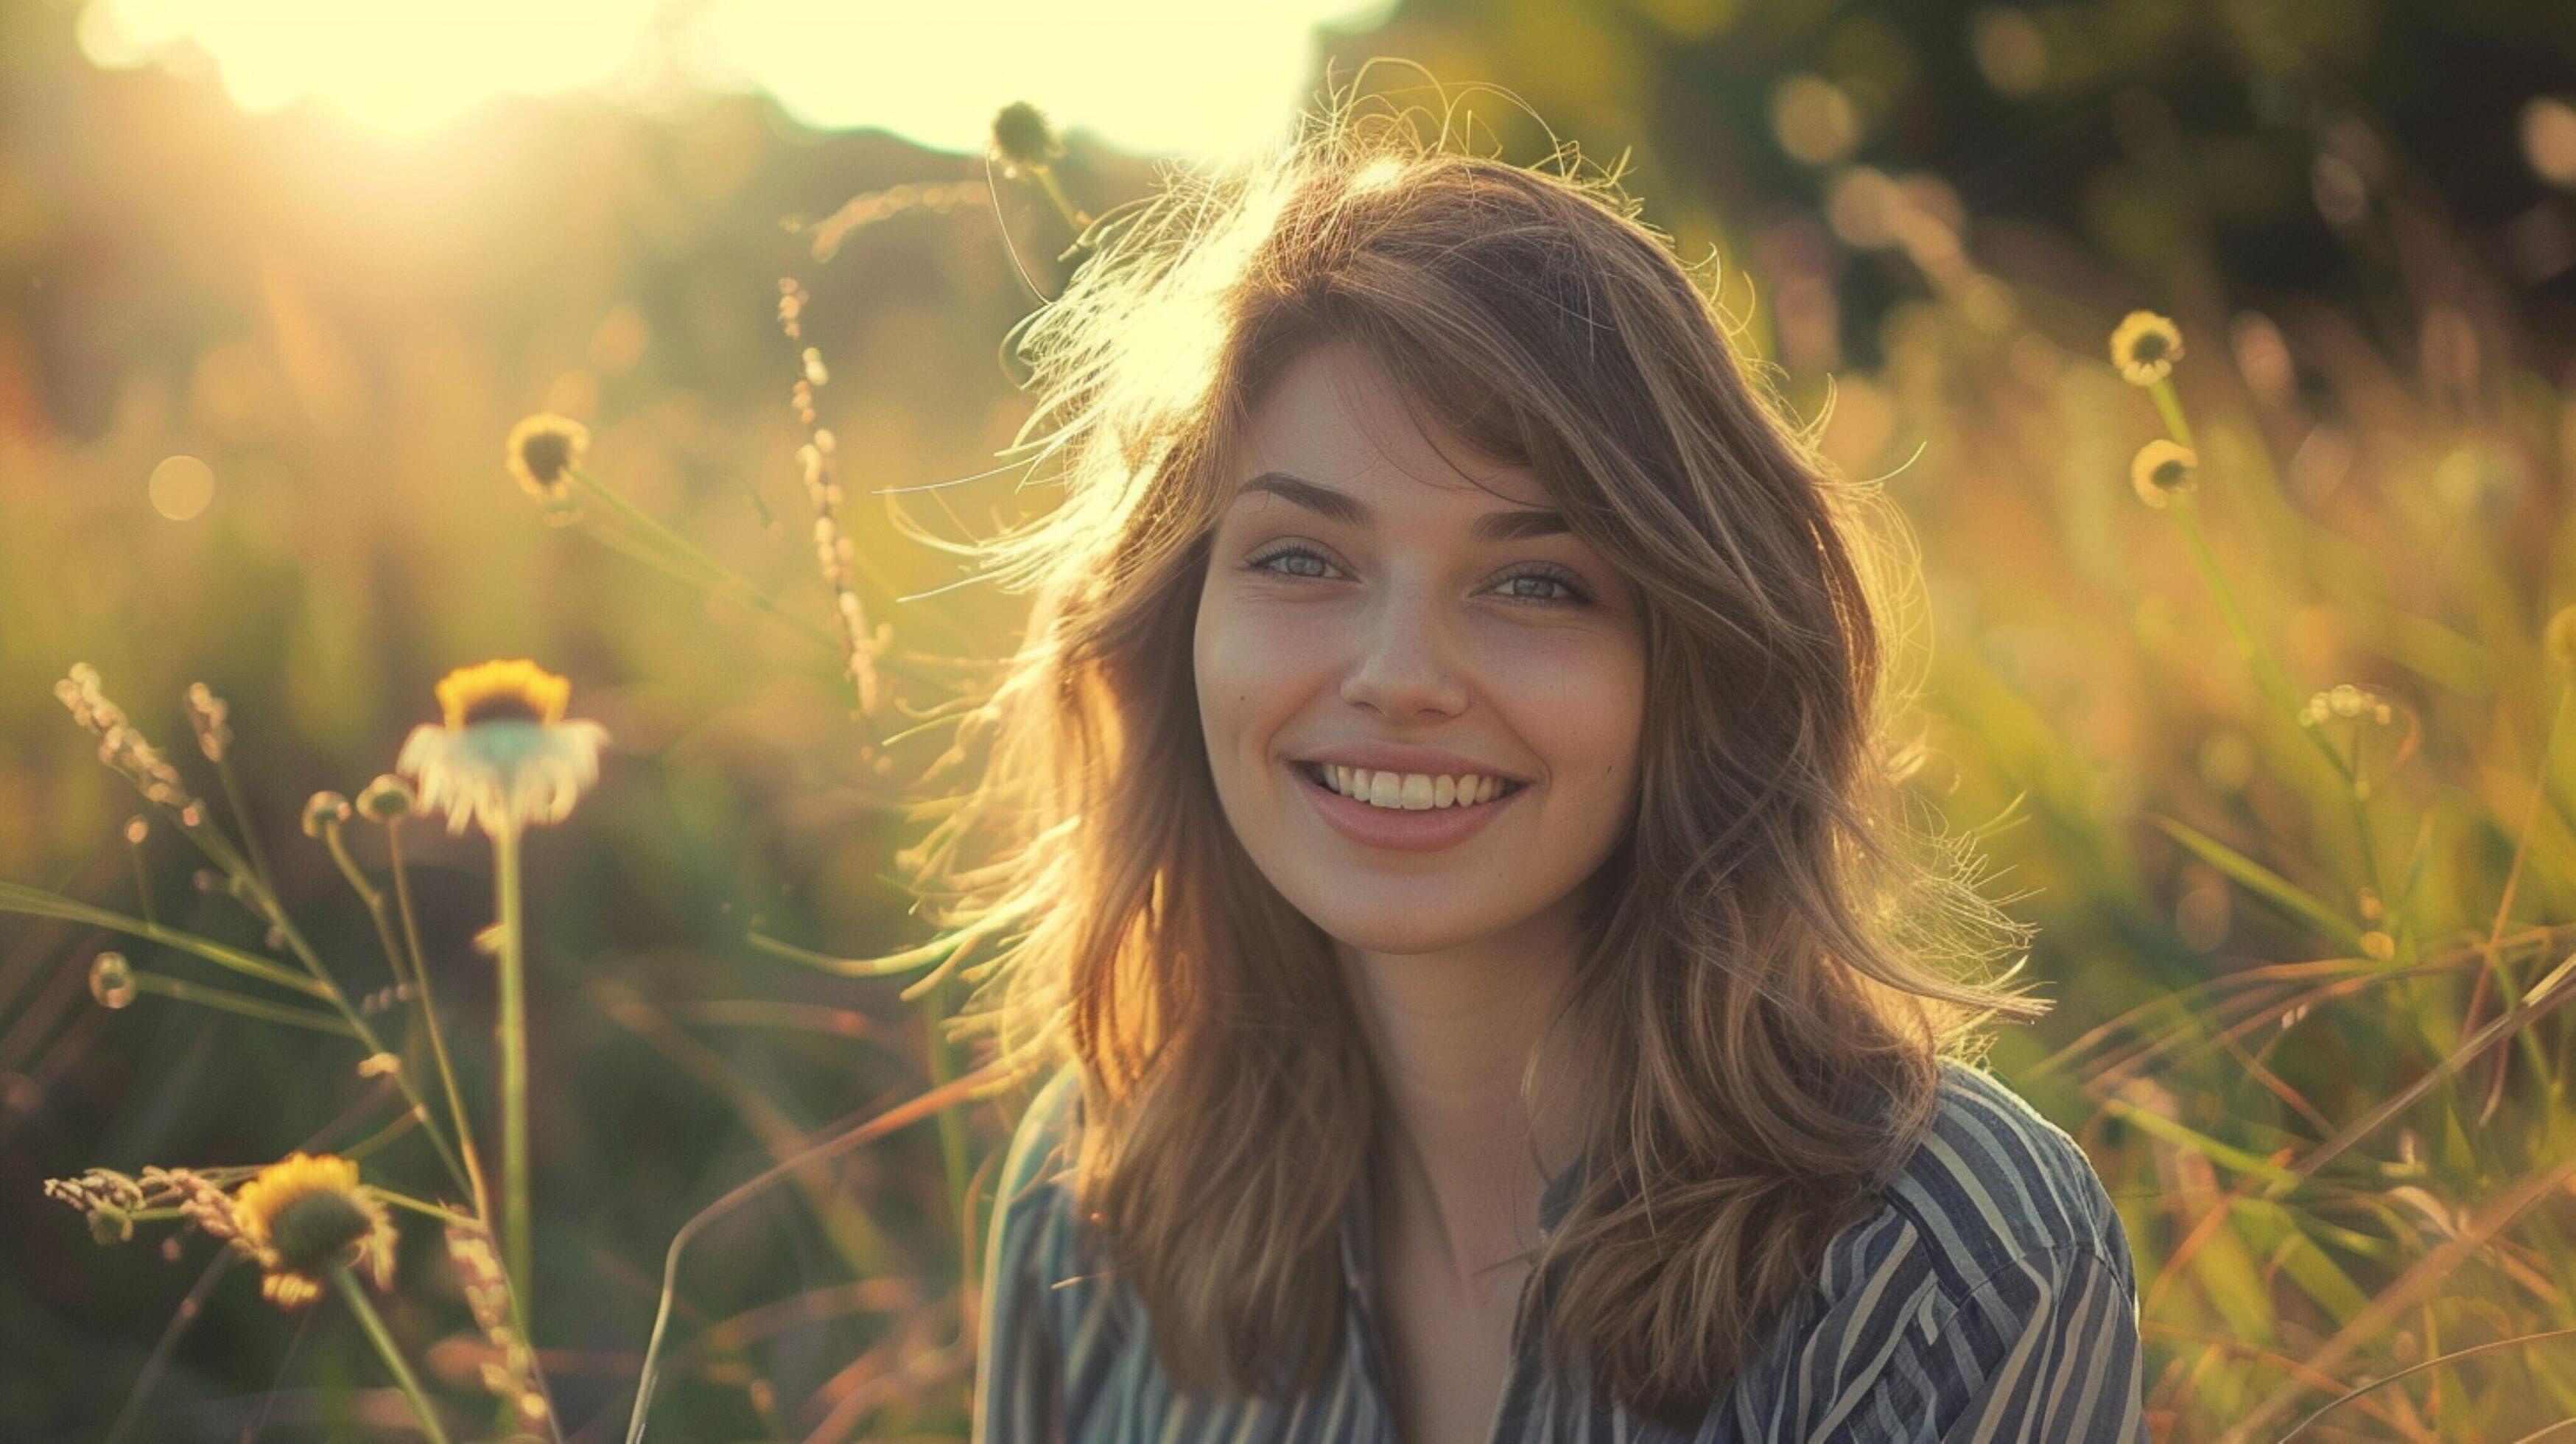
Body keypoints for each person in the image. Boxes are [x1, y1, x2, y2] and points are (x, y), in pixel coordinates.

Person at [915, 79, 2152, 1443]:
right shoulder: (1094, 1197)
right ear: (1174, 630)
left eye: (1536, 585)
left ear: (1695, 662)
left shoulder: (1941, 1269)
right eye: (1299, 559)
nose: (1396, 676)